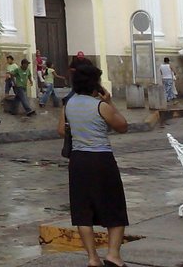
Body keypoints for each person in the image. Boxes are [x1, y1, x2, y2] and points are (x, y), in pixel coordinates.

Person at [58, 61, 129, 267]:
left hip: (78, 161)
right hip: (101, 160)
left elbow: (62, 131)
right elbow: (122, 126)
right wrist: (110, 103)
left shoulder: (68, 105)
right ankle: (113, 255)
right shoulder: (101, 106)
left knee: (83, 210)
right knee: (114, 207)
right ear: (95, 85)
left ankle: (92, 258)